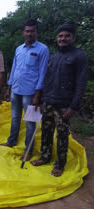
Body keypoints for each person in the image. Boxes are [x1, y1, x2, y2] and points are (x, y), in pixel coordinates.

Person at [31, 23, 88, 177]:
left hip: (64, 104)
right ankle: (45, 156)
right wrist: (42, 100)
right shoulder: (54, 56)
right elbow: (48, 80)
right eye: (61, 36)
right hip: (49, 101)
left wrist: (73, 106)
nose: (63, 39)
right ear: (57, 38)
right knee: (46, 131)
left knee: (62, 134)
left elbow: (81, 82)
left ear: (73, 38)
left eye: (67, 36)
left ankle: (60, 164)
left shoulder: (79, 56)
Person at [0, 19, 49, 161]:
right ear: (23, 32)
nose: (29, 33)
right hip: (15, 89)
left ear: (36, 32)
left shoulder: (42, 49)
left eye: (32, 31)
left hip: (31, 92)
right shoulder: (19, 49)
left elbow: (43, 72)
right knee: (15, 117)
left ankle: (28, 151)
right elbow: (14, 68)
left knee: (30, 122)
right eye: (27, 31)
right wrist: (9, 88)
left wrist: (37, 94)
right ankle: (11, 141)